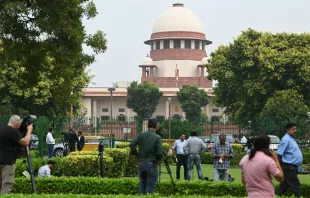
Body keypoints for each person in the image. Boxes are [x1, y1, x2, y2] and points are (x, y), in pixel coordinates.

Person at [0, 115, 33, 194]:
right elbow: (25, 142)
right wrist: (29, 131)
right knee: (7, 184)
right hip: (7, 162)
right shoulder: (13, 131)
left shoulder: (1, 128)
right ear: (17, 124)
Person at [130, 118, 163, 195]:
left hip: (142, 162)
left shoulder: (141, 135)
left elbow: (132, 144)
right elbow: (159, 152)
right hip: (152, 164)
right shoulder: (157, 137)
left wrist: (136, 154)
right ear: (156, 126)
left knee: (142, 186)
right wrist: (158, 161)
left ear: (148, 125)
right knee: (150, 189)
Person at [276, 123, 303, 197]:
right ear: (288, 130)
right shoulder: (286, 140)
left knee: (284, 186)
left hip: (291, 167)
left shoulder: (291, 139)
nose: (295, 131)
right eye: (293, 129)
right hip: (288, 167)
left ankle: (277, 196)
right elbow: (279, 154)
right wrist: (280, 166)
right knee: (295, 185)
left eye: (295, 129)